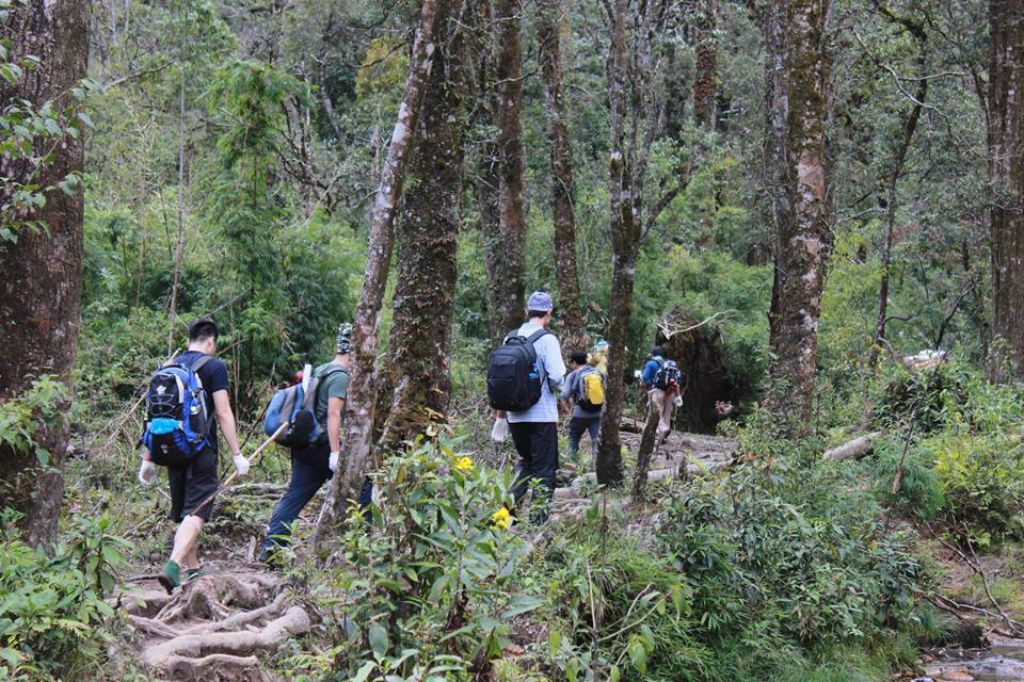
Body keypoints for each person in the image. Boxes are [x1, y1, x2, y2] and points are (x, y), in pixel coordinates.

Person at [137, 318, 249, 592]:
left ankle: (194, 574)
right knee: (197, 513)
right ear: (211, 341)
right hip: (201, 450)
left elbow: (155, 415)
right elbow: (223, 412)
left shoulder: (168, 367)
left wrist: (148, 458)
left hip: (171, 449)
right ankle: (173, 565)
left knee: (185, 515)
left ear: (190, 339)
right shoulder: (215, 366)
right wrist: (237, 453)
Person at [259, 323, 370, 562]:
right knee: (364, 486)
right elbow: (333, 414)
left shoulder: (323, 369)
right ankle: (363, 550)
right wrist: (336, 453)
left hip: (305, 445)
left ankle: (272, 549)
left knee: (295, 496)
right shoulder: (340, 376)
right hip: (323, 448)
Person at [493, 291, 566, 523]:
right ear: (549, 314)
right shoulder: (547, 340)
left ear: (527, 312)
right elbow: (557, 376)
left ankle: (504, 517)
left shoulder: (510, 338)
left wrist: (500, 417)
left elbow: (503, 381)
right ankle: (538, 525)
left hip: (515, 417)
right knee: (544, 469)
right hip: (542, 415)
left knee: (527, 464)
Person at [560, 351, 604, 465]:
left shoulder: (573, 375)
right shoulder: (597, 372)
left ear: (574, 362)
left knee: (574, 438)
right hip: (597, 412)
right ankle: (596, 465)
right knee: (596, 440)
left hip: (580, 414)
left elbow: (564, 395)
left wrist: (568, 411)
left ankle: (572, 464)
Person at [639, 345, 682, 444]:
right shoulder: (668, 364)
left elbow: (644, 378)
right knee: (667, 413)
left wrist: (639, 375)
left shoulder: (651, 363)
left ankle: (658, 433)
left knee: (657, 412)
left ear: (653, 355)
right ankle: (664, 432)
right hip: (670, 391)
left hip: (657, 391)